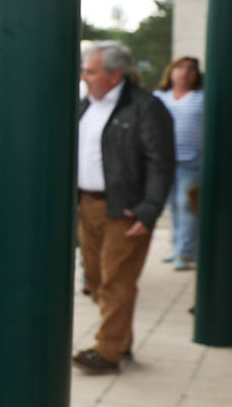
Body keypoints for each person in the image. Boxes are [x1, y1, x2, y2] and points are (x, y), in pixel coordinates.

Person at [73, 42, 175, 373]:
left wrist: (148, 210)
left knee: (117, 280)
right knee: (94, 278)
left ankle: (108, 351)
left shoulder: (146, 108)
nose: (83, 77)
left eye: (90, 71)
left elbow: (161, 163)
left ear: (114, 75)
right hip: (87, 205)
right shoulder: (85, 105)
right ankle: (121, 341)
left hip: (125, 210)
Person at [153, 56, 204, 270]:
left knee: (186, 204)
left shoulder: (202, 97)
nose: (185, 72)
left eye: (190, 69)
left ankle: (186, 252)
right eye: (180, 67)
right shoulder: (159, 97)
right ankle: (177, 246)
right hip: (166, 161)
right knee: (172, 205)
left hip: (192, 160)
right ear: (171, 72)